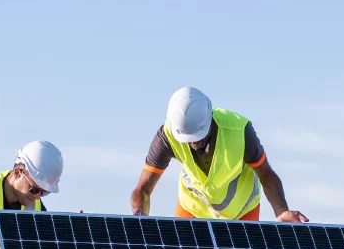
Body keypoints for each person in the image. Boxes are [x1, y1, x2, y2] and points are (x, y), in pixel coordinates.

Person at [131, 87, 308, 223]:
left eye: (198, 138)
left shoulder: (240, 131)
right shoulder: (167, 136)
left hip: (242, 211)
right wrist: (139, 215)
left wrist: (281, 211)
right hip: (193, 208)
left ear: (209, 120)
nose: (193, 143)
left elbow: (266, 174)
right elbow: (143, 188)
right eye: (188, 140)